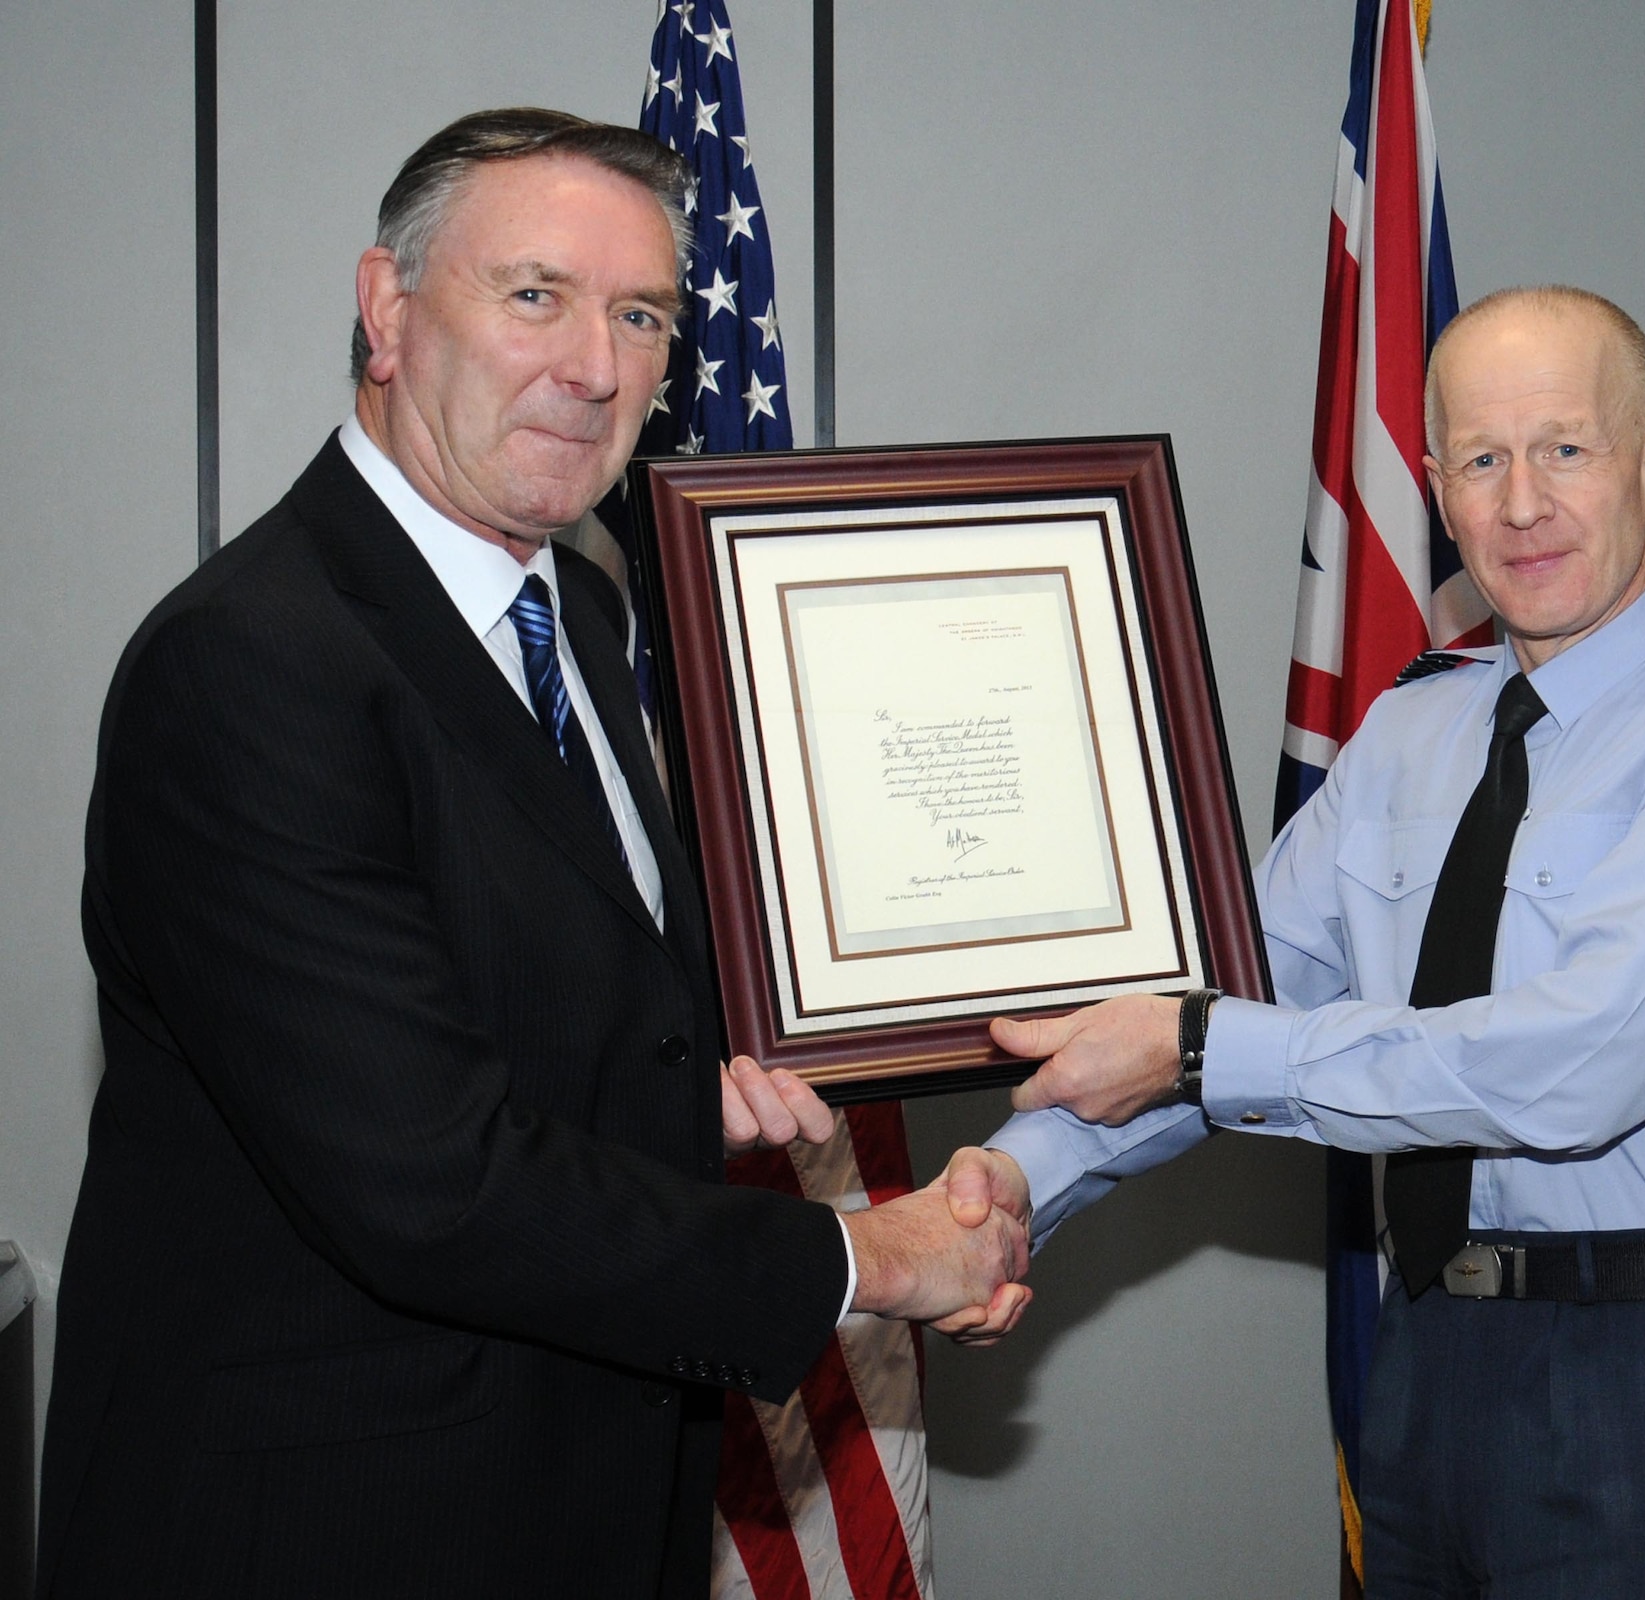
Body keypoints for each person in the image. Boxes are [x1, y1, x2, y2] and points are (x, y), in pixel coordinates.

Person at [37, 108, 1026, 1600]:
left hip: (585, 1497)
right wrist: (870, 1261)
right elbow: (431, 1182)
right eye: (535, 296)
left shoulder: (585, 616)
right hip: (330, 1534)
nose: (596, 365)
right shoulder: (250, 666)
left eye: (642, 315)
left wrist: (684, 1091)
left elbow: (493, 996)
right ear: (385, 309)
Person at [942, 285, 1645, 1595]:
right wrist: (1015, 1184)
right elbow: (1230, 999)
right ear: (1434, 487)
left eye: (1565, 448)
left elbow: (1580, 1059)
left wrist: (1202, 1042)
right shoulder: (1414, 727)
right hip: (1431, 1366)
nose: (1523, 503)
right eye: (1482, 460)